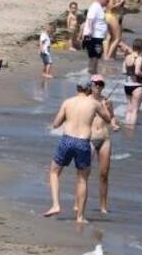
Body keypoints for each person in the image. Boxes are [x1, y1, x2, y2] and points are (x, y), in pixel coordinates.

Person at [43, 82, 112, 223]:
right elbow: (108, 119)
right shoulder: (94, 103)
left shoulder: (67, 102)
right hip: (83, 142)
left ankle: (56, 204)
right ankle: (80, 216)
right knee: (82, 179)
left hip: (67, 140)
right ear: (88, 90)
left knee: (54, 172)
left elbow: (56, 123)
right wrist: (104, 106)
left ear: (77, 89)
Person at [89, 75, 119, 214]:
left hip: (104, 138)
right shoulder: (86, 101)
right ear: (91, 85)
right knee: (84, 172)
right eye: (95, 84)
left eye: (101, 84)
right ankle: (78, 203)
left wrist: (114, 125)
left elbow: (111, 118)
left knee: (104, 174)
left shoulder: (107, 101)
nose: (98, 86)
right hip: (88, 138)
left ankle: (103, 206)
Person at [82, 0, 110, 75]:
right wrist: (89, 33)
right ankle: (93, 73)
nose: (108, 2)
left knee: (95, 56)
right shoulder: (95, 7)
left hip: (98, 37)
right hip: (94, 37)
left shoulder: (100, 8)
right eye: (107, 0)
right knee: (95, 56)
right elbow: (90, 19)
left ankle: (92, 72)